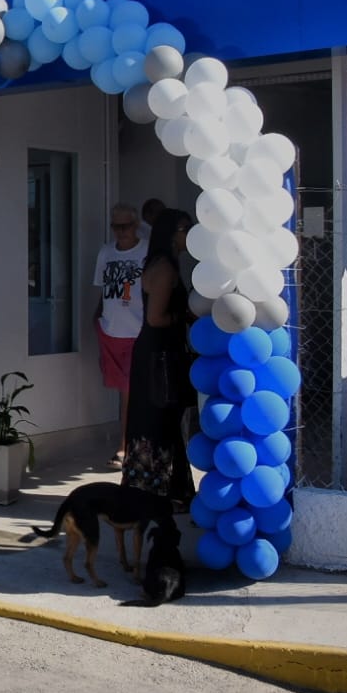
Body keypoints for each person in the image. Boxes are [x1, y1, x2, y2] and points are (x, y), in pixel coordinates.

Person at [121, 208, 197, 511]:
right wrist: (186, 316)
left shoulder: (158, 263)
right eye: (184, 228)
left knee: (156, 421)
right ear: (171, 233)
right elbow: (156, 318)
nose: (188, 234)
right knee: (161, 422)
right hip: (160, 354)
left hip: (154, 353)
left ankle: (157, 489)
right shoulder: (165, 268)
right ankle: (166, 491)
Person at [93, 202, 147, 468]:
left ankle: (125, 447)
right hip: (110, 330)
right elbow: (101, 290)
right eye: (116, 226)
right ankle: (130, 444)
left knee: (129, 392)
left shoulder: (146, 251)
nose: (121, 231)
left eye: (126, 226)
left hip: (136, 332)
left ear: (136, 225)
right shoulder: (106, 252)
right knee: (121, 391)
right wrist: (98, 322)